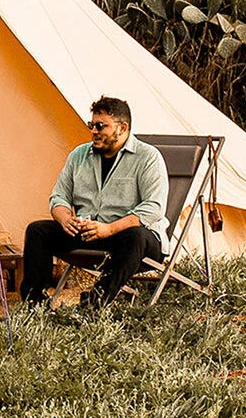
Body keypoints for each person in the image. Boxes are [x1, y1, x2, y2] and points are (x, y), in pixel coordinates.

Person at [20, 96, 169, 310]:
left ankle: (95, 303)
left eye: (101, 126)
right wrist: (65, 219)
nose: (94, 131)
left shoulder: (148, 157)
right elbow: (59, 196)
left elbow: (153, 208)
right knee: (37, 231)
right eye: (92, 125)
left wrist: (109, 229)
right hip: (90, 231)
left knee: (136, 236)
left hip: (130, 237)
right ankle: (34, 304)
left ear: (122, 127)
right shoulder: (79, 155)